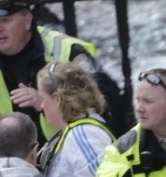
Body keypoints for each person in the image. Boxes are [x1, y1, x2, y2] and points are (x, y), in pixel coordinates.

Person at [0, 0, 122, 143]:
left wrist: (47, 104)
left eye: (5, 20)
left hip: (71, 152)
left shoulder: (67, 50)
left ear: (27, 21)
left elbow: (103, 102)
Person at [34, 60, 113, 177]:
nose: (41, 106)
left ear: (57, 99)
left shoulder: (81, 135)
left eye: (42, 98)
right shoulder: (75, 132)